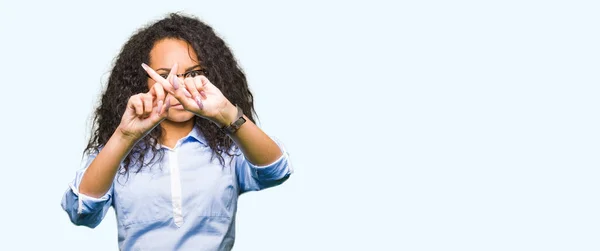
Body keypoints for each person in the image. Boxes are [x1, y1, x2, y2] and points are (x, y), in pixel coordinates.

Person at [61, 13, 293, 251]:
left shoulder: (228, 149)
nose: (179, 86)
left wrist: (226, 112)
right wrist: (124, 136)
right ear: (144, 82)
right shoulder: (119, 151)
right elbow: (81, 211)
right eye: (164, 76)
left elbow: (276, 171)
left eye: (194, 73)